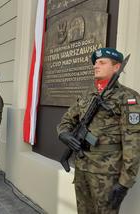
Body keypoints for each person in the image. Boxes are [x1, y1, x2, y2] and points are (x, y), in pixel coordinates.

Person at [57, 48, 140, 213]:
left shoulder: (128, 97)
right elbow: (67, 120)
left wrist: (125, 182)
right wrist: (63, 134)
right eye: (95, 62)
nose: (96, 65)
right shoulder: (87, 95)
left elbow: (133, 143)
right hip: (82, 168)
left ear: (116, 67)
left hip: (106, 173)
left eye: (102, 62)